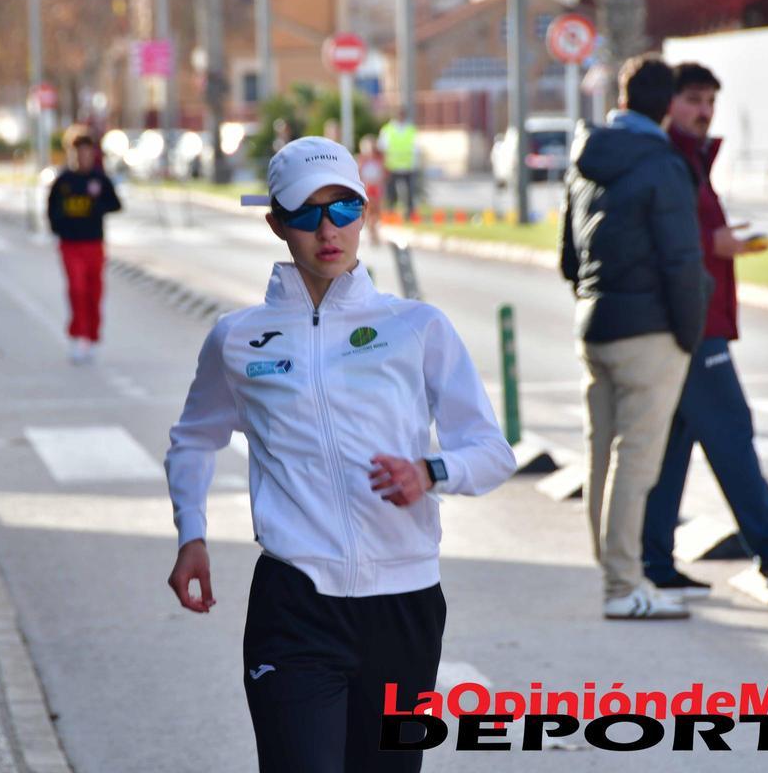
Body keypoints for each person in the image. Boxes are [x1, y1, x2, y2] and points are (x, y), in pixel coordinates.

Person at [164, 136, 515, 772]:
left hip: (404, 604)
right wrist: (192, 533)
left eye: (344, 209)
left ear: (365, 210)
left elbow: (491, 451)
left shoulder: (418, 327)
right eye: (306, 213)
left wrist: (431, 472)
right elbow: (194, 437)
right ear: (276, 222)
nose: (329, 230)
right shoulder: (238, 339)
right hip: (295, 600)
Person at [642, 63, 768, 603]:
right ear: (668, 102)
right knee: (731, 431)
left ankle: (653, 562)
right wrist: (718, 244)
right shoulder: (668, 159)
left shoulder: (685, 158)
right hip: (692, 325)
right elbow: (668, 235)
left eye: (710, 100)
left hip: (690, 322)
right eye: (693, 99)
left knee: (672, 447)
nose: (704, 110)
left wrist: (719, 240)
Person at [558, 55, 708, 620]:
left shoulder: (585, 157)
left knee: (602, 454)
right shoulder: (663, 164)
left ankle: (613, 571)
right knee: (637, 462)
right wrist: (687, 334)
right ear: (667, 105)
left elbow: (569, 256)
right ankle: (623, 587)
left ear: (622, 99)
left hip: (595, 325)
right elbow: (681, 259)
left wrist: (594, 297)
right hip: (649, 332)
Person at [47, 133, 122, 364]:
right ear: (74, 155)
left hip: (94, 244)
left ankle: (92, 335)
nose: (83, 158)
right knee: (77, 289)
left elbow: (116, 204)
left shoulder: (100, 180)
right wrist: (59, 228)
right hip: (70, 245)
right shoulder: (64, 181)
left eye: (87, 153)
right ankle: (78, 335)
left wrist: (97, 204)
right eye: (79, 153)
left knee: (94, 292)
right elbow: (51, 208)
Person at [377, 107, 419, 218]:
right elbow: (382, 149)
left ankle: (409, 214)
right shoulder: (387, 130)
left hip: (408, 167)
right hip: (392, 166)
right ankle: (391, 213)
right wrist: (384, 166)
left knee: (409, 193)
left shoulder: (411, 129)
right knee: (391, 193)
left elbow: (416, 148)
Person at [356, 134, 385, 245]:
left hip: (376, 188)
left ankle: (374, 231)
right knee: (368, 211)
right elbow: (359, 175)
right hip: (367, 188)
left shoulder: (379, 160)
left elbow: (382, 175)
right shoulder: (361, 160)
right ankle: (371, 232)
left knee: (376, 212)